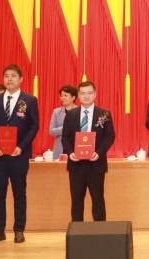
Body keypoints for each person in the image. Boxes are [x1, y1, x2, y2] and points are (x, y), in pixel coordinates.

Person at [0, 64, 39, 244]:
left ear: (21, 79)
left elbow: (34, 126)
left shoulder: (30, 100)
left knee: (19, 193)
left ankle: (19, 230)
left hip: (19, 155)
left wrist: (21, 147)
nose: (9, 79)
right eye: (6, 75)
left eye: (13, 75)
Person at [62, 81, 116, 222]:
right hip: (76, 165)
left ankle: (100, 231)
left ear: (95, 94)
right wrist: (70, 152)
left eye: (89, 93)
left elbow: (110, 136)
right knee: (76, 202)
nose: (86, 96)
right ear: (78, 95)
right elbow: (65, 137)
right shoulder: (71, 114)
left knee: (98, 201)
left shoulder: (104, 114)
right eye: (83, 93)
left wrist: (99, 152)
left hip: (96, 164)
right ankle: (77, 231)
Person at [49, 85, 78, 156]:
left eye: (65, 95)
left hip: (75, 147)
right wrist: (65, 127)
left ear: (73, 97)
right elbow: (51, 131)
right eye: (61, 96)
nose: (62, 98)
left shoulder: (79, 111)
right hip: (60, 148)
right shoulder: (56, 112)